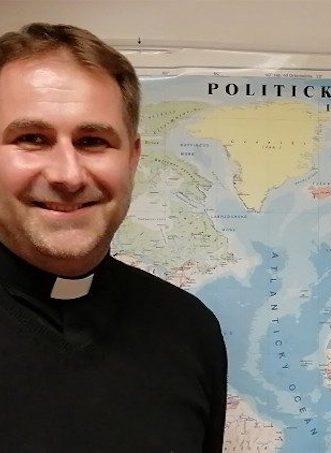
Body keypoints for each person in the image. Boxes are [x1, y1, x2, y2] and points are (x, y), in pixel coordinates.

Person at [0, 23, 226, 451]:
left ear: (132, 158)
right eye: (32, 139)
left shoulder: (190, 330)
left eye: (92, 141)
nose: (68, 175)